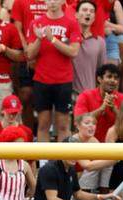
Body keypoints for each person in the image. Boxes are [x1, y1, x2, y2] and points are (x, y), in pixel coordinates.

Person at [25, 0, 82, 143]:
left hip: (63, 81)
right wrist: (39, 39)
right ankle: (44, 162)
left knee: (63, 125)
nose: (52, 2)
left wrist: (52, 39)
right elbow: (29, 54)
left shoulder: (72, 23)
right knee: (43, 124)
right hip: (42, 80)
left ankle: (62, 162)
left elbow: (74, 51)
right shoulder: (36, 23)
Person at [73, 62, 123, 143]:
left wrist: (114, 109)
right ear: (99, 79)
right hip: (88, 145)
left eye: (116, 78)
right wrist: (101, 109)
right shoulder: (85, 96)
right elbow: (78, 122)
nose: (113, 80)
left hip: (114, 146)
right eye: (109, 77)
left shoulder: (122, 98)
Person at [72, 0, 105, 94]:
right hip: (68, 94)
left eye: (91, 11)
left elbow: (101, 72)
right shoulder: (66, 39)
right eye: (85, 10)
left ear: (94, 18)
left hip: (89, 95)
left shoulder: (100, 42)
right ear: (76, 15)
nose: (88, 13)